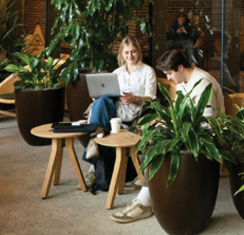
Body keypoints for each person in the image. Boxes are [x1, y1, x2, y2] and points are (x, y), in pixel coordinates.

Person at [110, 48, 223, 224]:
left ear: (180, 67)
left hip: (203, 137)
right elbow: (180, 111)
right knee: (151, 131)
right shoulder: (184, 80)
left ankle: (144, 201)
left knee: (160, 143)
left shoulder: (202, 83)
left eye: (169, 73)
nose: (169, 78)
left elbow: (206, 123)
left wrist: (172, 126)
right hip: (187, 131)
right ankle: (151, 185)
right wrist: (165, 120)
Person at [83, 37, 157, 169]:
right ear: (122, 54)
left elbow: (151, 98)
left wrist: (134, 98)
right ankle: (94, 149)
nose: (130, 55)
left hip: (135, 111)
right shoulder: (117, 73)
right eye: (126, 52)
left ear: (138, 52)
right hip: (115, 111)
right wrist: (99, 96)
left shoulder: (147, 71)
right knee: (102, 100)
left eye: (133, 51)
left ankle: (93, 151)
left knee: (101, 116)